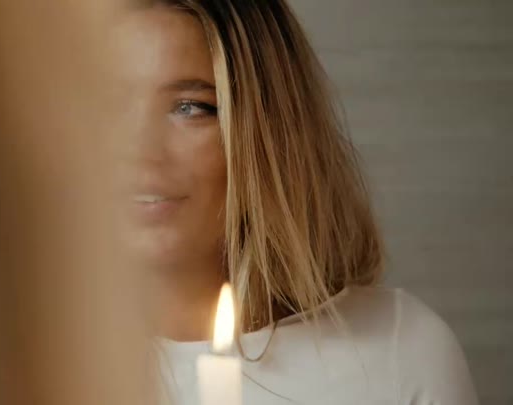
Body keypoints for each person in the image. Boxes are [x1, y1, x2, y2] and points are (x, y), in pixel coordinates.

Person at [114, 1, 479, 404]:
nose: (139, 150)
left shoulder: (399, 354)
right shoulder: (55, 363)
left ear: (271, 132)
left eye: (191, 107)